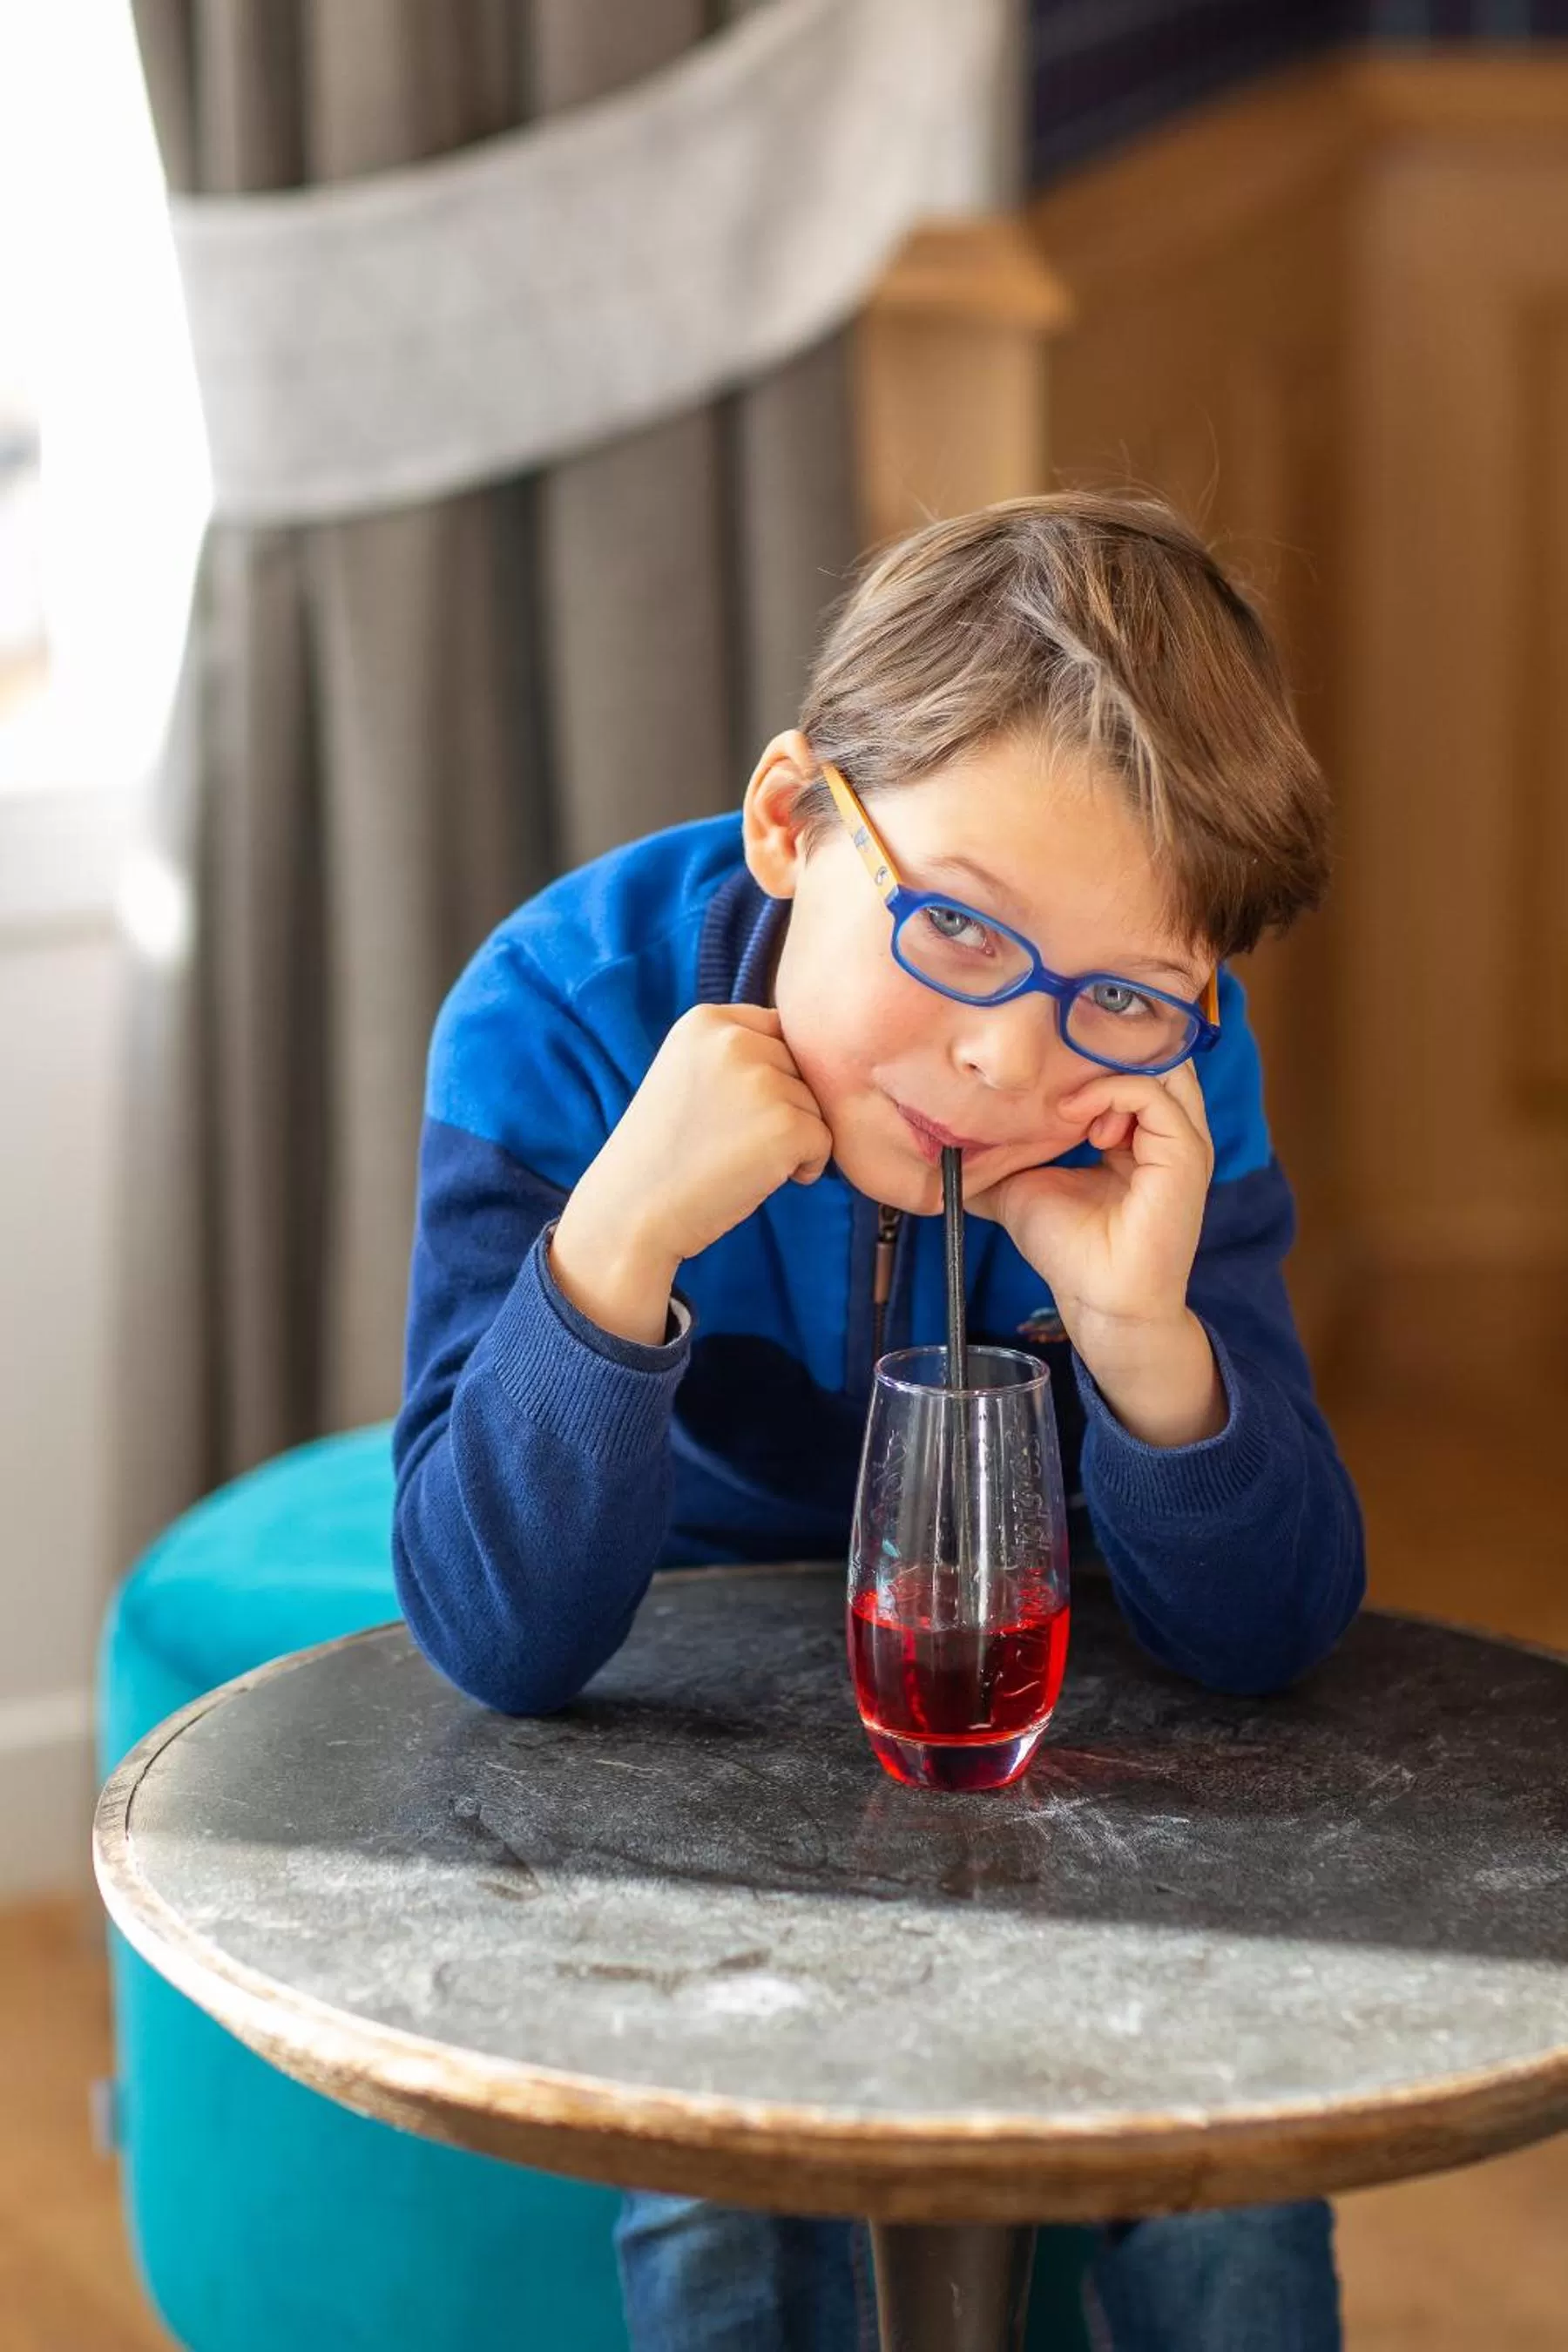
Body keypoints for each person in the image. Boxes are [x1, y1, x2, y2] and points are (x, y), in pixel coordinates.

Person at [392, 491, 1363, 2351]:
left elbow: (1271, 1631)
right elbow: (491, 1631)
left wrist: (1141, 1329)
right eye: (962, 935)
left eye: (1127, 998)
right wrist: (616, 1244)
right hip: (673, 1691)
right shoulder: (556, 1016)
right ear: (788, 822)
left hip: (1059, 1690)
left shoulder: (1166, 1087)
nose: (1014, 1061)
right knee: (722, 2224)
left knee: (1237, 2221)